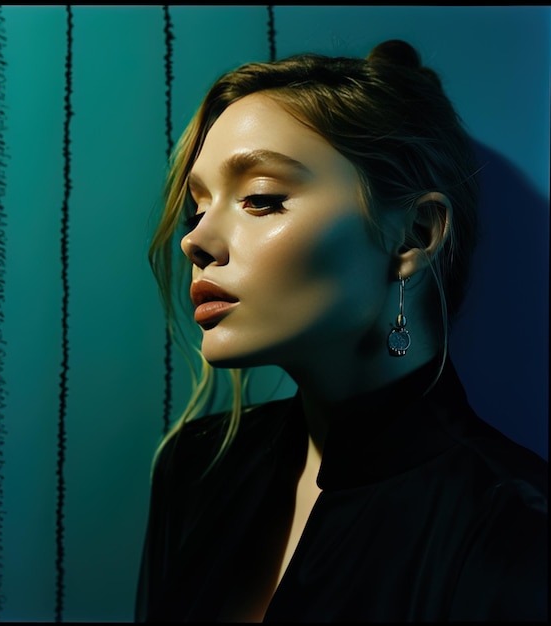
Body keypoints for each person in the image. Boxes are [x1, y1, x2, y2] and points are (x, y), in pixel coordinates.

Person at [135, 39, 547, 622]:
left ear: (415, 235)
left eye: (260, 198)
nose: (194, 241)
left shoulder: (516, 532)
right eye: (196, 209)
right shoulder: (197, 467)